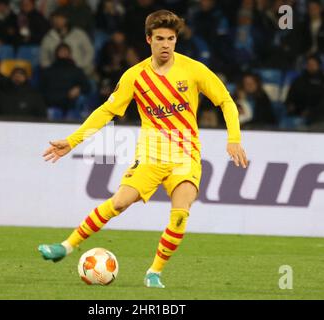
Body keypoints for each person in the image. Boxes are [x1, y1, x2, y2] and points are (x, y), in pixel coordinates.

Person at [38, 10, 248, 288]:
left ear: (176, 40)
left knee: (181, 211)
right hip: (151, 155)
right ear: (149, 39)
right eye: (160, 38)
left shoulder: (194, 69)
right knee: (120, 202)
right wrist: (73, 140)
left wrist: (234, 137)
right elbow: (106, 111)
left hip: (186, 155)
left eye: (171, 39)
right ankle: (65, 246)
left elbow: (226, 100)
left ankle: (154, 272)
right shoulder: (134, 76)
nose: (166, 44)